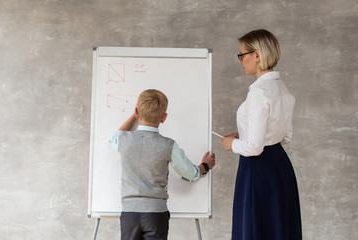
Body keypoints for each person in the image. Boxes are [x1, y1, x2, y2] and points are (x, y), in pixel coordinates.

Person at [220, 29, 302, 240]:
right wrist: (245, 133)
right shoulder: (282, 89)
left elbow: (255, 148)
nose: (241, 61)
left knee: (255, 228)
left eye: (242, 55)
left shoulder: (259, 92)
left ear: (257, 55)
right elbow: (285, 137)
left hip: (257, 169)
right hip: (279, 166)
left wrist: (233, 144)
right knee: (277, 227)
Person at [109, 89, 215, 240]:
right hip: (156, 215)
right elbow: (191, 174)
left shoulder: (123, 140)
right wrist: (205, 166)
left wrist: (136, 114)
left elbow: (114, 137)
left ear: (137, 112)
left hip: (129, 214)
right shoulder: (168, 145)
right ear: (164, 118)